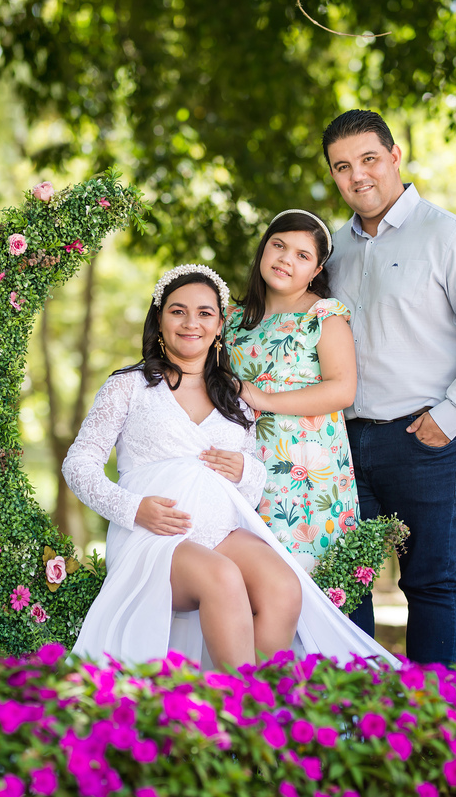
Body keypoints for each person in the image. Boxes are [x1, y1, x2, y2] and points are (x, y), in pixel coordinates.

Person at [62, 264, 396, 671]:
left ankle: (258, 704)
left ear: (220, 325)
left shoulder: (234, 398)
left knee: (284, 588)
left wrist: (243, 471)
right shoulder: (128, 387)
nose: (191, 323)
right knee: (222, 579)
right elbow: (79, 464)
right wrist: (133, 509)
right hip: (155, 537)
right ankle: (244, 715)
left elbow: (252, 486)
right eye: (178, 311)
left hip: (221, 530)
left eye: (205, 313)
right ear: (160, 319)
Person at [321, 109, 456, 666]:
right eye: (342, 167)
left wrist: (452, 415)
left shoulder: (449, 236)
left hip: (427, 438)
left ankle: (427, 718)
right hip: (346, 443)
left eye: (368, 159)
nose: (358, 176)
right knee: (344, 582)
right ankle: (355, 714)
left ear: (395, 155)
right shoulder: (334, 250)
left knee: (428, 581)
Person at [225, 209, 359, 572]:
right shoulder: (231, 318)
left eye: (302, 255)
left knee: (302, 582)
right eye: (279, 246)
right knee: (244, 583)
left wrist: (264, 399)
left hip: (305, 468)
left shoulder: (323, 316)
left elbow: (343, 389)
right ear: (263, 249)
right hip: (242, 464)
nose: (286, 259)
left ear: (316, 271)